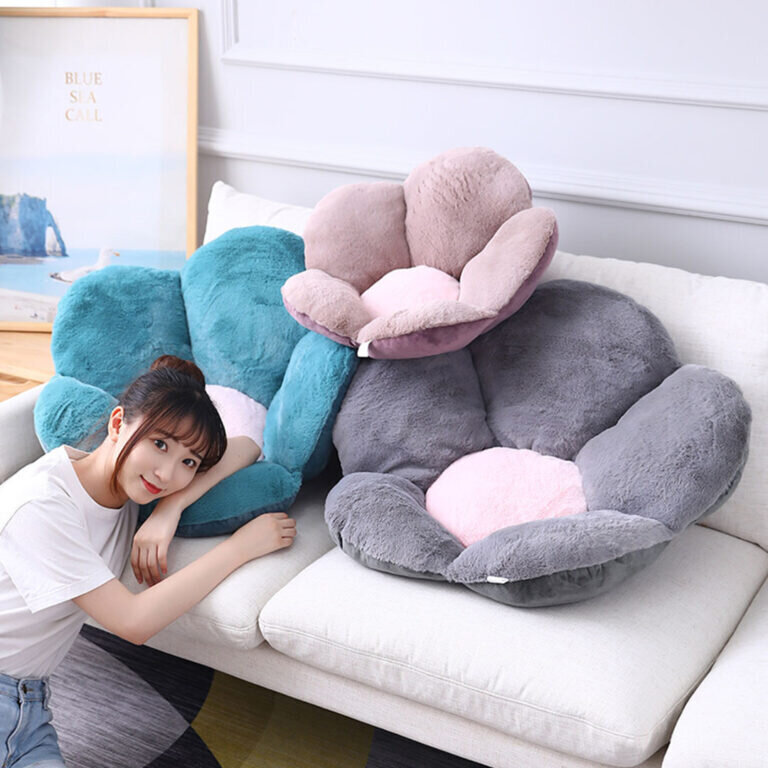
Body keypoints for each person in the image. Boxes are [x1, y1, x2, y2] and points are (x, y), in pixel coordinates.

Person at [0, 356, 296, 767]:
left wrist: (169, 509)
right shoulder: (43, 504)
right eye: (159, 444)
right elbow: (132, 621)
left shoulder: (123, 490)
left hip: (29, 712)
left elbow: (246, 445)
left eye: (188, 462)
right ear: (117, 423)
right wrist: (239, 548)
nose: (166, 473)